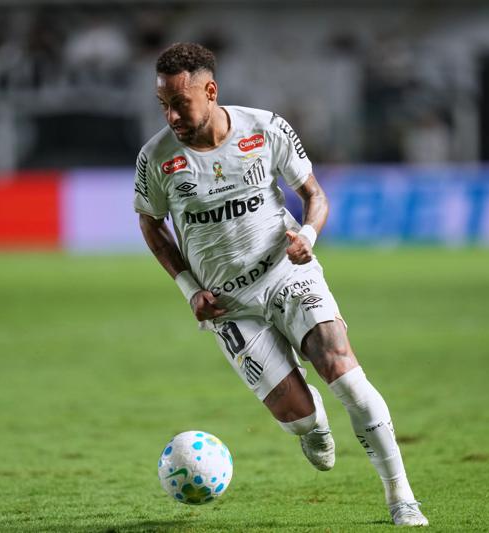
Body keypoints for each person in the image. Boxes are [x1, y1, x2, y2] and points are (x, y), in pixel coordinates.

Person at [134, 42, 428, 527]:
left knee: (347, 377)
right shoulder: (156, 157)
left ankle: (401, 497)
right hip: (228, 304)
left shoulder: (264, 129)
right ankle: (313, 425)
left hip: (286, 273)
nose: (171, 116)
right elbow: (150, 223)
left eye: (180, 103)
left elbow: (315, 195)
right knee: (299, 416)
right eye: (163, 104)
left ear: (211, 91)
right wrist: (189, 288)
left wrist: (307, 236)